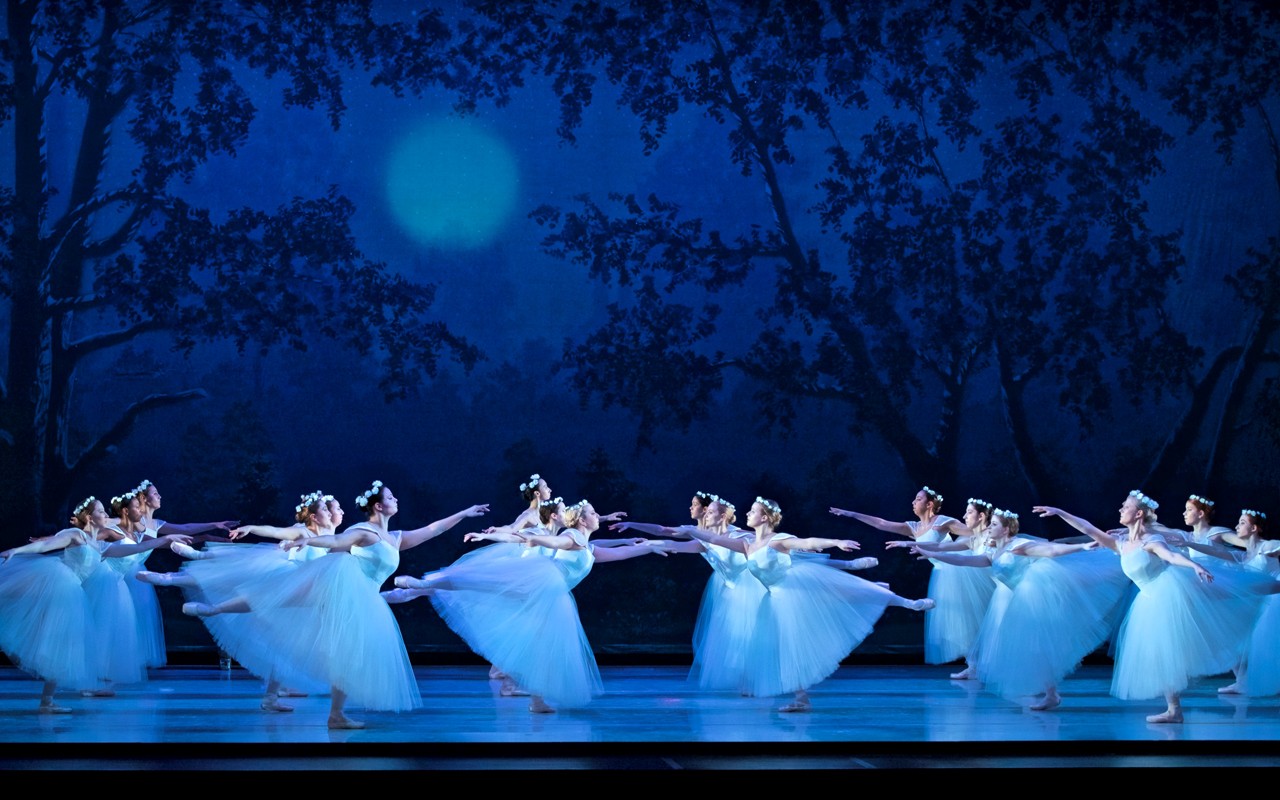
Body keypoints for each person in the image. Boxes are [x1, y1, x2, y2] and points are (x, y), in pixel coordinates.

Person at [185, 480, 488, 728]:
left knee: (342, 647)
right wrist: (308, 541)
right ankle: (214, 608)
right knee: (283, 599)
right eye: (391, 496)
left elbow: (433, 529)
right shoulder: (363, 532)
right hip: (346, 590)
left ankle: (336, 714)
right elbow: (336, 542)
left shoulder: (394, 537)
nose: (397, 499)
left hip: (365, 597)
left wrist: (463, 513)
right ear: (378, 506)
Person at [389, 497, 664, 713]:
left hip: (551, 594)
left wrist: (649, 546)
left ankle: (536, 699)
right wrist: (526, 538)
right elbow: (555, 539)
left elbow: (619, 552)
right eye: (593, 513)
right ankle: (426, 585)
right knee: (482, 582)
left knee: (537, 642)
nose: (598, 516)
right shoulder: (573, 536)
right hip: (540, 582)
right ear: (580, 520)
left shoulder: (588, 547)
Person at [1034, 491, 1269, 723]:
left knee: (1237, 592)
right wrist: (1059, 512)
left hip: (1169, 592)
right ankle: (1173, 709)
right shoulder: (1121, 543)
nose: (1120, 510)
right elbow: (1087, 528)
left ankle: (1174, 709)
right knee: (1162, 652)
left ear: (1138, 514)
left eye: (1125, 507)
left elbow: (1170, 556)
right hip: (1148, 599)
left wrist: (1193, 565)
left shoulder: (1151, 540)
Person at [691, 497, 933, 712]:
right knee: (784, 647)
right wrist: (683, 530)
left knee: (852, 592)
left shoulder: (777, 540)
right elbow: (712, 538)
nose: (747, 515)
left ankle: (909, 603)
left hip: (794, 587)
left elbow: (806, 543)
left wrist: (836, 541)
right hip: (774, 597)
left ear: (764, 517)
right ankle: (801, 698)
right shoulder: (747, 544)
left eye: (752, 511)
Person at [901, 507, 1126, 711]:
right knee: (1029, 646)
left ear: (1006, 529)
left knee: (1037, 645)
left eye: (994, 525)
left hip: (1035, 596)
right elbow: (962, 561)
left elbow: (1051, 550)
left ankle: (1050, 693)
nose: (989, 528)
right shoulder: (991, 554)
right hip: (1017, 598)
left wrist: (1082, 546)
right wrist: (928, 552)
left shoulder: (1017, 546)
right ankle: (1049, 693)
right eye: (990, 525)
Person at [831, 487, 988, 669]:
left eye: (918, 499)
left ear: (929, 504)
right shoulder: (914, 527)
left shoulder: (943, 522)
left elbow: (975, 534)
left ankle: (982, 660)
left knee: (971, 615)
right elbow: (882, 523)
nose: (913, 502)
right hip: (943, 574)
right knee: (959, 619)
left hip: (960, 570)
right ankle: (973, 664)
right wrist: (851, 514)